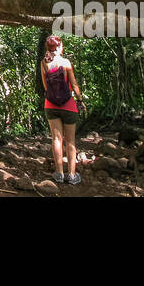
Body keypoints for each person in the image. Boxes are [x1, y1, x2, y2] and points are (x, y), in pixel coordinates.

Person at [41, 35, 85, 185]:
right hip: (68, 106)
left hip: (51, 105)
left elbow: (46, 87)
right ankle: (72, 175)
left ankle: (59, 174)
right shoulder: (65, 62)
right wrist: (80, 100)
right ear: (59, 47)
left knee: (56, 139)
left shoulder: (44, 63)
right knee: (70, 141)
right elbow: (74, 85)